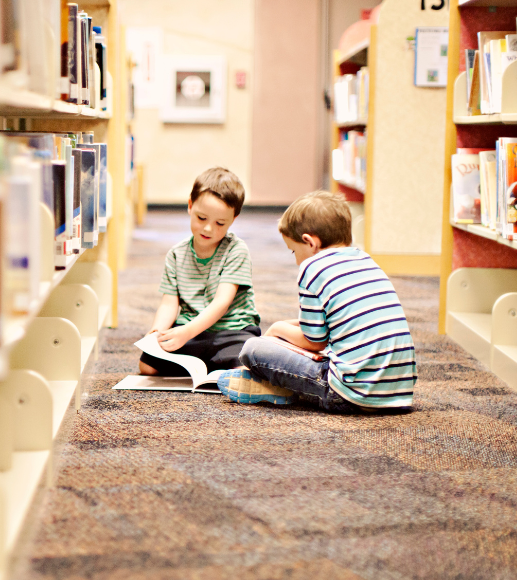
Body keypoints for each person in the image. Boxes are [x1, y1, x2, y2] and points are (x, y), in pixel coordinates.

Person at [218, 190, 417, 412]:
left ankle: (278, 387)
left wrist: (278, 328)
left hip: (349, 393)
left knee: (253, 349)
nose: (295, 260)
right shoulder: (366, 260)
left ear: (309, 242)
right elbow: (336, 323)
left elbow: (314, 342)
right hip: (399, 393)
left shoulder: (312, 268)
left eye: (293, 251)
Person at [138, 166, 260, 375]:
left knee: (245, 361)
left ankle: (216, 363)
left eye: (220, 223)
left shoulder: (236, 250)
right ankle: (210, 364)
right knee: (147, 366)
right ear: (190, 206)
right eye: (201, 218)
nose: (208, 229)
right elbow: (169, 303)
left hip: (231, 330)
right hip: (191, 329)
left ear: (234, 219)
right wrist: (157, 331)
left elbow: (221, 303)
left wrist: (187, 332)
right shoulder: (176, 254)